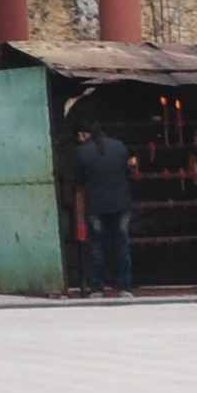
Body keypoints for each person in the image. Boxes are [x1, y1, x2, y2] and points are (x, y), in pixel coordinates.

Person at [71, 122, 135, 298]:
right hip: (121, 203)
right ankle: (125, 287)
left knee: (97, 246)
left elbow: (79, 180)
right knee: (122, 244)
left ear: (85, 135)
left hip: (96, 205)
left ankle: (97, 288)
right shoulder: (120, 146)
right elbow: (129, 172)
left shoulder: (82, 152)